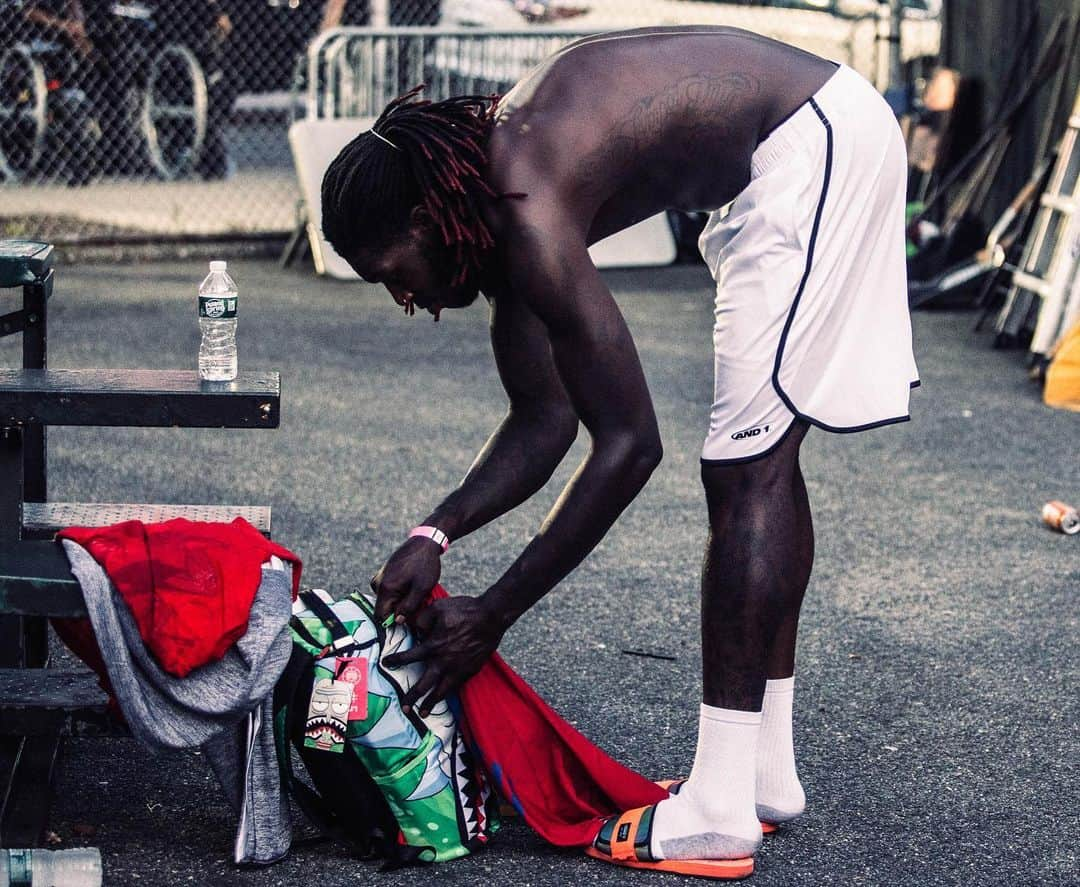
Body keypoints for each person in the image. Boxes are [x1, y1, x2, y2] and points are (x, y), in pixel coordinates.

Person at [320, 26, 918, 878]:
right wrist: (436, 531)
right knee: (761, 463)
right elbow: (543, 420)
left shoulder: (525, 204)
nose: (405, 297)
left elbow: (630, 446)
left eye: (393, 270)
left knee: (749, 469)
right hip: (787, 153)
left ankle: (718, 810)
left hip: (812, 144)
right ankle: (761, 773)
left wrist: (492, 612)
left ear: (424, 220)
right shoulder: (497, 205)